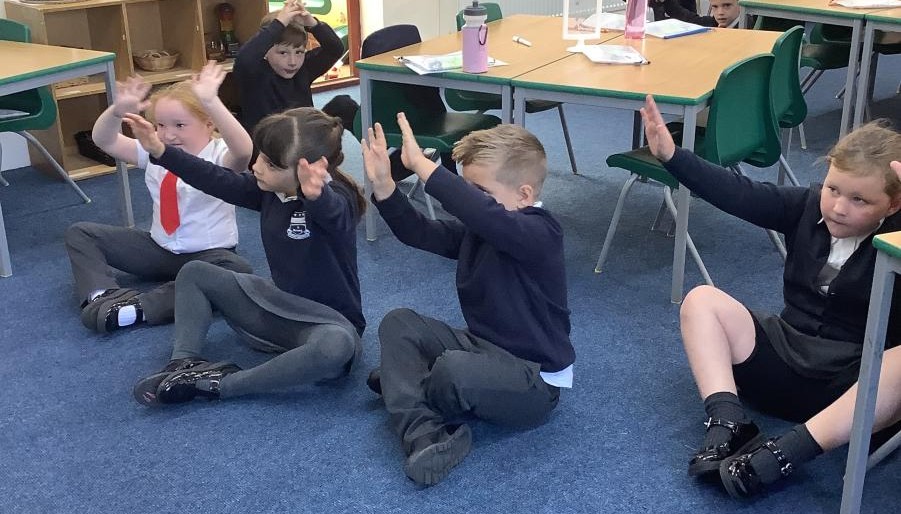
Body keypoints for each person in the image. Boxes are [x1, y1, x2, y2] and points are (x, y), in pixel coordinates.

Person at [639, 93, 901, 499]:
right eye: (833, 189)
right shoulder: (806, 206)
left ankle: (786, 453)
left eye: (860, 200)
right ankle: (728, 423)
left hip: (855, 387)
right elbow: (738, 193)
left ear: (893, 204)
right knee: (701, 300)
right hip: (785, 360)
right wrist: (673, 157)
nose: (838, 207)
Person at [361, 114, 575, 486]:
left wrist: (423, 166)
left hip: (533, 380)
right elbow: (419, 232)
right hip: (481, 349)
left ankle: (407, 388)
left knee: (452, 370)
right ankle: (423, 432)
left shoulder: (541, 233)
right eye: (466, 187)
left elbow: (483, 213)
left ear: (524, 196)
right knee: (398, 321)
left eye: (480, 191)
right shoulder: (479, 231)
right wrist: (384, 186)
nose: (467, 200)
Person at [127, 106, 366, 406]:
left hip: (325, 324)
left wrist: (316, 195)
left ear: (310, 169)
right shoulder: (268, 191)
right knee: (196, 272)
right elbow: (214, 178)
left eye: (271, 164)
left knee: (335, 347)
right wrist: (161, 151)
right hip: (275, 309)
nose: (257, 166)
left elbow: (335, 215)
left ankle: (220, 385)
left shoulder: (339, 199)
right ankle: (184, 363)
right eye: (260, 156)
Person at [65, 63, 253, 333]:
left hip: (210, 255)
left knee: (235, 270)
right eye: (160, 125)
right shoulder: (154, 149)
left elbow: (244, 150)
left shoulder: (219, 154)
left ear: (209, 123)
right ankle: (102, 297)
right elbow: (104, 140)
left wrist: (211, 101)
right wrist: (117, 110)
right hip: (159, 248)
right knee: (81, 233)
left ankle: (137, 310)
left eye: (180, 125)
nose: (168, 134)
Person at [234, 0, 345, 133]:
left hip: (303, 137)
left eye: (299, 52)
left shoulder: (304, 68)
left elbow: (335, 49)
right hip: (269, 142)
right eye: (283, 53)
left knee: (342, 104)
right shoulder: (254, 73)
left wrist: (312, 24)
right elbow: (244, 59)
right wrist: (279, 23)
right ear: (265, 51)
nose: (292, 62)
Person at [652, 0, 740, 28]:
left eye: (727, 5)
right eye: (715, 7)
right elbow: (689, 19)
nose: (720, 12)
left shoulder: (747, 28)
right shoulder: (713, 23)